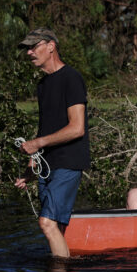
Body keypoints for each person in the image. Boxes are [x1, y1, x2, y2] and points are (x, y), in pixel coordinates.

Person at [14, 27, 89, 258]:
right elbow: (45, 129)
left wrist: (37, 143)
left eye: (33, 47)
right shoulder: (43, 85)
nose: (29, 53)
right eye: (27, 48)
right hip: (48, 165)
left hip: (68, 163)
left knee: (46, 223)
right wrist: (30, 168)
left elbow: (77, 128)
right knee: (56, 227)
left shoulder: (72, 78)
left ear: (51, 46)